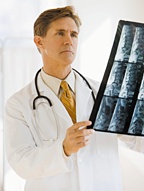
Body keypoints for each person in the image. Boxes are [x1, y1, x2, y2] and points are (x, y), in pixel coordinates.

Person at [4, 5, 144, 191]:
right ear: (39, 42)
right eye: (60, 33)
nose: (68, 41)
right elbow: (21, 162)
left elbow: (138, 142)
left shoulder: (104, 93)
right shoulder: (18, 104)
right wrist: (63, 149)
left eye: (74, 34)